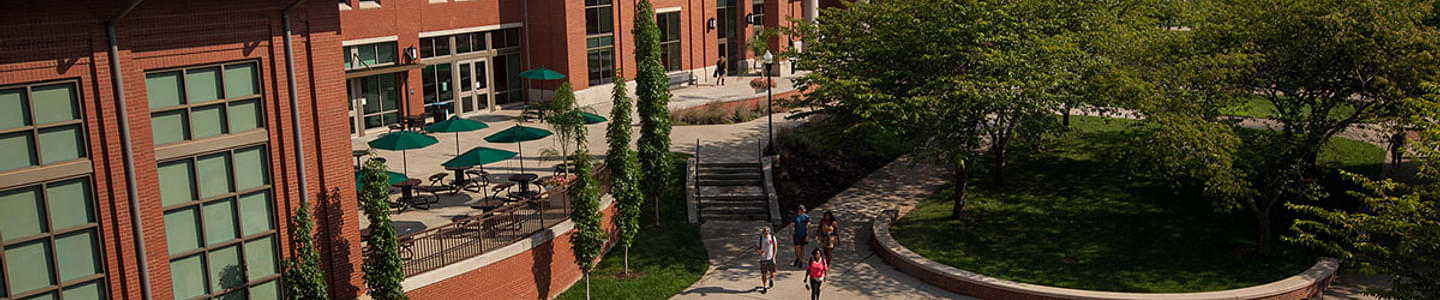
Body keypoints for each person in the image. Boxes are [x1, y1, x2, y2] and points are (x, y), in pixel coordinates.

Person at [755, 227, 778, 293]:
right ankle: (764, 287)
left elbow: (775, 248)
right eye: (764, 232)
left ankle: (771, 279)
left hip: (771, 258)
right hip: (763, 259)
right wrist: (758, 251)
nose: (766, 234)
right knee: (763, 274)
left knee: (773, 273)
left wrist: (774, 257)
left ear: (769, 232)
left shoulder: (772, 238)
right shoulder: (760, 239)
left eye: (767, 232)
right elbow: (757, 248)